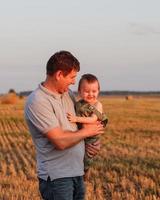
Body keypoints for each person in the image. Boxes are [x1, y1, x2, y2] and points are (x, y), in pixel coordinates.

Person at [24, 51, 104, 200]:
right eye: (72, 77)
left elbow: (78, 127)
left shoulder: (68, 94)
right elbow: (60, 140)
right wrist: (87, 132)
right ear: (59, 74)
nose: (74, 82)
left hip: (76, 172)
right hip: (58, 178)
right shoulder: (38, 101)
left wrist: (91, 143)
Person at [67, 74, 108, 171]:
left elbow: (93, 119)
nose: (90, 94)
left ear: (98, 91)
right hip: (81, 137)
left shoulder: (97, 105)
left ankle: (84, 173)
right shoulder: (79, 104)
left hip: (91, 141)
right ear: (79, 91)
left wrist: (76, 119)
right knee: (76, 157)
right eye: (86, 91)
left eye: (94, 91)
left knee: (85, 160)